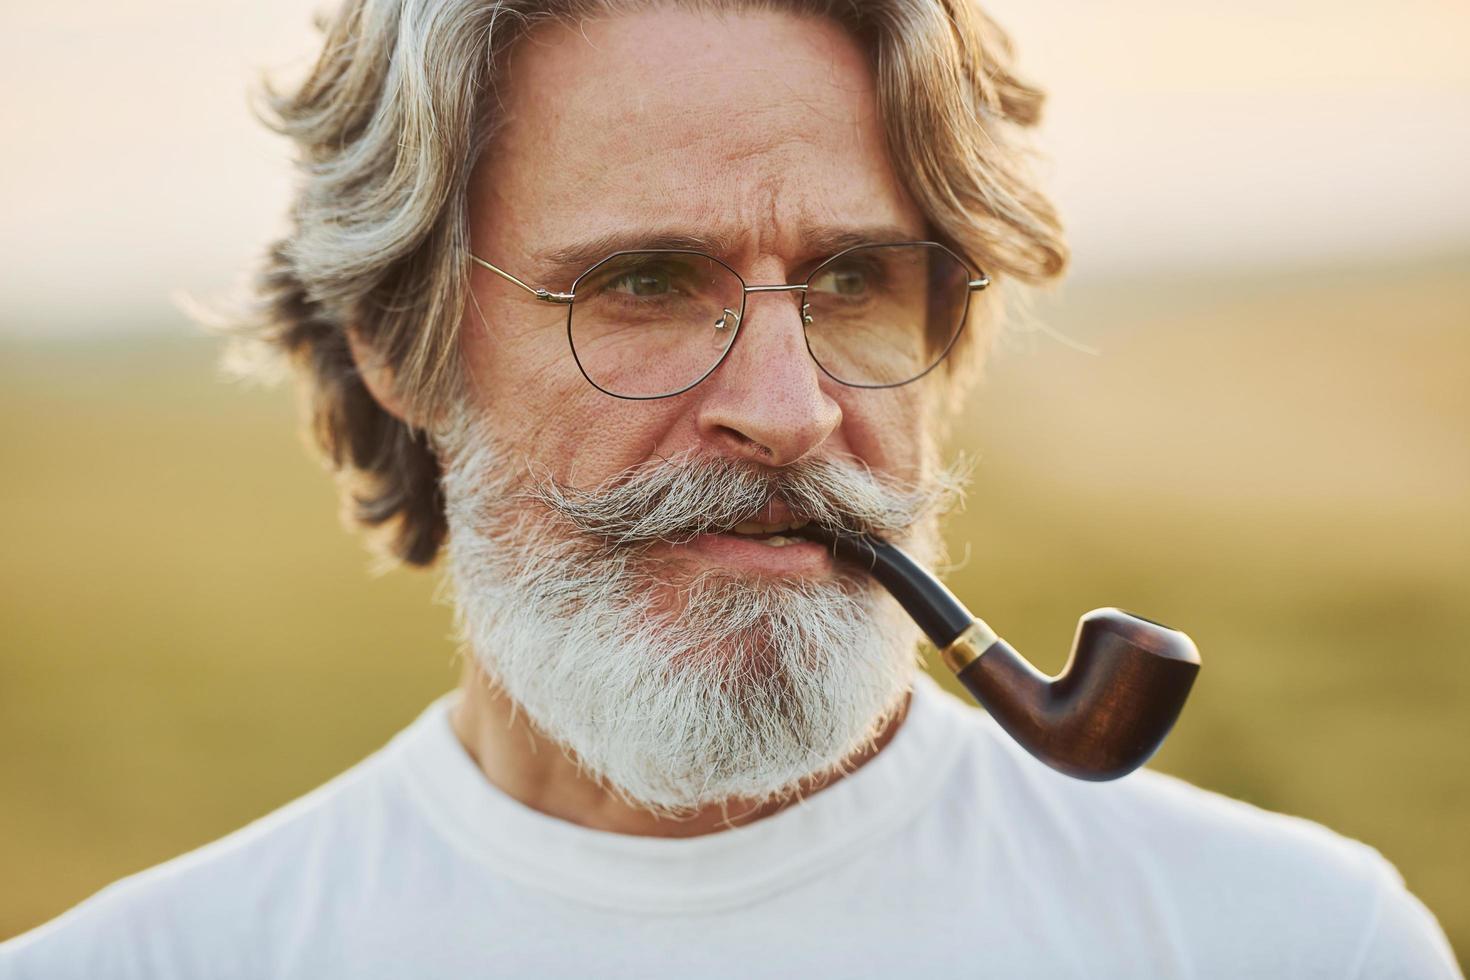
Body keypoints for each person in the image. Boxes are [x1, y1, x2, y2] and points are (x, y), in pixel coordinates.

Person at [1, 1, 1460, 977]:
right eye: (640, 283)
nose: (785, 410)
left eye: (849, 279)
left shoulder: (1288, 945)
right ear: (398, 340)